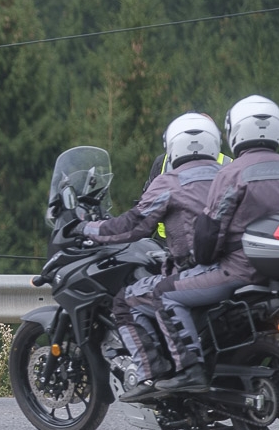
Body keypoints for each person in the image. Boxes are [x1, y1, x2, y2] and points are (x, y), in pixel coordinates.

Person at [151, 95, 279, 393]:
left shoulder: (231, 173)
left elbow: (210, 230)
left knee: (165, 294)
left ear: (235, 131)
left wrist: (204, 259)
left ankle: (190, 372)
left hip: (240, 272)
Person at [76, 113, 226, 402]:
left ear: (173, 146)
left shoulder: (169, 180)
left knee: (126, 301)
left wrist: (87, 228)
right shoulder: (229, 174)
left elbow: (132, 226)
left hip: (195, 270)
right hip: (233, 266)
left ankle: (154, 375)